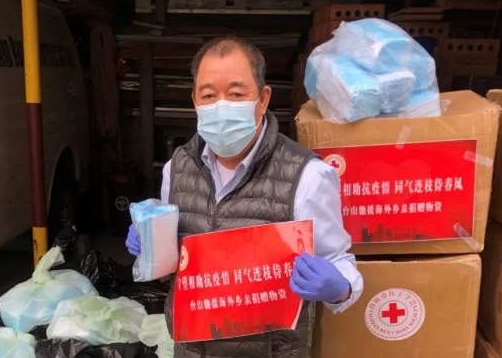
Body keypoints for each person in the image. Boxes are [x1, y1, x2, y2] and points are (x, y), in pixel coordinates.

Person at [126, 37, 363, 358]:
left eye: (236, 94)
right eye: (208, 95)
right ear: (195, 101)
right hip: (191, 350)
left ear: (263, 100)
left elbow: (338, 262)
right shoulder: (177, 167)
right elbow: (176, 265)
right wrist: (151, 245)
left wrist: (339, 288)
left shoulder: (307, 175)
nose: (221, 106)